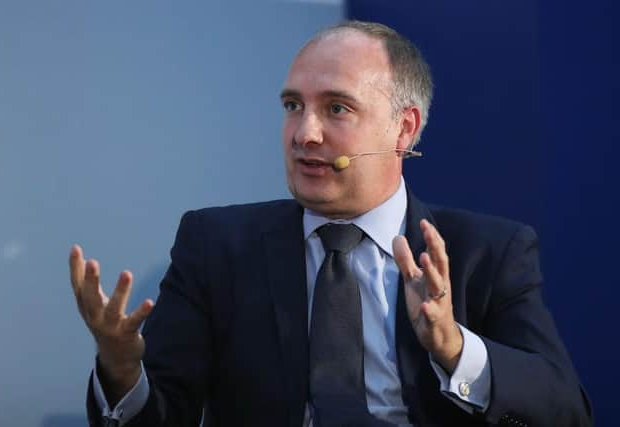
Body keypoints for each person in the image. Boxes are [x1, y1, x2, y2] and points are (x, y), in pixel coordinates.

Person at [69, 21, 592, 426]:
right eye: (293, 106)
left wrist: (455, 349)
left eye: (337, 109)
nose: (304, 134)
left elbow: (565, 412)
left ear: (403, 129)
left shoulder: (488, 252)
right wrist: (120, 369)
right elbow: (162, 415)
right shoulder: (217, 247)